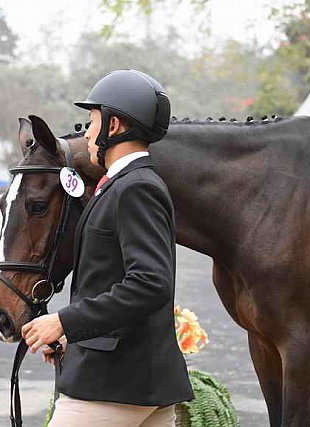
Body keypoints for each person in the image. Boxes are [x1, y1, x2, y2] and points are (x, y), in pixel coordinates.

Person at [21, 70, 193, 426]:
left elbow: (149, 283)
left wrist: (64, 320)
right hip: (136, 382)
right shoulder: (124, 185)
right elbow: (110, 281)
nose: (87, 133)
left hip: (111, 387)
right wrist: (76, 336)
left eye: (92, 121)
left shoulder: (136, 188)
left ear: (113, 126)